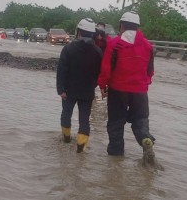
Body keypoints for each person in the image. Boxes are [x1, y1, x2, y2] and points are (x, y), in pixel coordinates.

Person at [97, 12, 156, 165]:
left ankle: (116, 159)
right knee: (140, 121)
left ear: (122, 25)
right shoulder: (148, 46)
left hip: (118, 90)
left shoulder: (115, 43)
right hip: (140, 92)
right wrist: (143, 85)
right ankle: (145, 139)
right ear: (137, 26)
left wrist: (102, 86)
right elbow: (150, 71)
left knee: (116, 124)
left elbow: (106, 68)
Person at [56, 18, 103, 153]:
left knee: (66, 114)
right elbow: (99, 73)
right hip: (87, 91)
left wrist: (61, 89)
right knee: (84, 120)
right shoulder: (97, 51)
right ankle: (80, 150)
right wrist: (93, 86)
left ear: (79, 32)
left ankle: (65, 140)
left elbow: (61, 71)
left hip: (69, 90)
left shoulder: (68, 48)